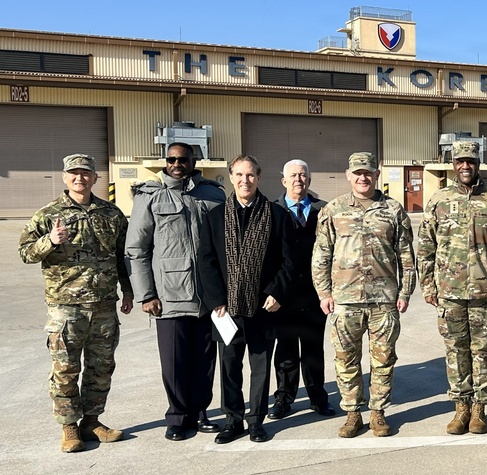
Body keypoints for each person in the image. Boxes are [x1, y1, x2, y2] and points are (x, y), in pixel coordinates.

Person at [19, 153, 133, 452]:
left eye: (85, 173)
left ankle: (92, 422)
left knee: (101, 367)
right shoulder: (48, 214)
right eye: (73, 173)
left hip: (104, 305)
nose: (79, 178)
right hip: (66, 307)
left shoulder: (112, 214)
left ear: (95, 178)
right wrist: (50, 241)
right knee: (65, 369)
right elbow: (26, 253)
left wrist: (130, 291)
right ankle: (69, 427)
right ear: (64, 177)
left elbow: (123, 257)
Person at [125, 142, 225, 441]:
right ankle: (179, 417)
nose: (176, 163)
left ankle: (202, 411)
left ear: (194, 161)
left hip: (207, 296)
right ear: (165, 162)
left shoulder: (212, 194)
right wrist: (145, 294)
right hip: (169, 295)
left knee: (206, 360)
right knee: (175, 360)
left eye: (183, 159)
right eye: (171, 159)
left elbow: (224, 243)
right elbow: (136, 249)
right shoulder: (150, 197)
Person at [417, 141, 487, 435]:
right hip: (449, 293)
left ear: (478, 164)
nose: (465, 166)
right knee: (455, 351)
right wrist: (428, 286)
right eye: (460, 161)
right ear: (453, 164)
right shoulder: (439, 200)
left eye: (471, 162)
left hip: (485, 293)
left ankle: (479, 409)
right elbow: (425, 247)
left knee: (482, 352)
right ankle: (460, 408)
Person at [313, 152, 416, 438]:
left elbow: (406, 257)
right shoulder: (334, 210)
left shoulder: (393, 211)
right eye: (357, 172)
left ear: (376, 174)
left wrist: (405, 292)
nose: (363, 177)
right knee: (346, 360)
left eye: (368, 172)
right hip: (345, 299)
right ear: (348, 175)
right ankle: (352, 414)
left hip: (384, 299)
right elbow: (321, 254)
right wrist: (323, 292)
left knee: (383, 360)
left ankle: (378, 413)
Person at [199, 155, 295, 444]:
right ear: (230, 177)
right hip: (225, 309)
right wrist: (217, 299)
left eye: (250, 175)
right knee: (229, 367)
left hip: (263, 306)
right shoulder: (215, 217)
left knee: (260, 367)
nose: (245, 180)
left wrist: (276, 292)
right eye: (239, 175)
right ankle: (233, 420)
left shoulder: (277, 216)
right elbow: (206, 261)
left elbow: (289, 262)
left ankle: (255, 421)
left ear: (259, 177)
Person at [267, 159, 335, 421]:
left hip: (314, 294)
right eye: (293, 176)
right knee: (284, 351)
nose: (298, 179)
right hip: (282, 296)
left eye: (303, 175)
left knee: (313, 350)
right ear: (283, 181)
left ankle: (318, 397)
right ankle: (284, 399)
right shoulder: (272, 210)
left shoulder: (323, 210)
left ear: (309, 179)